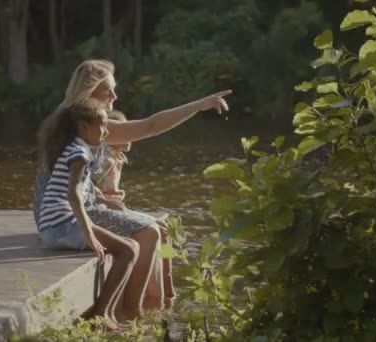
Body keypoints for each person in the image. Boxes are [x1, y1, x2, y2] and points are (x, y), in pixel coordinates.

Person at [35, 59, 231, 320]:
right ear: (88, 93)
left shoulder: (71, 118)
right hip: (67, 212)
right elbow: (151, 126)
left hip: (70, 204)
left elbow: (70, 172)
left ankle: (163, 300)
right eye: (109, 91)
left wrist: (100, 195)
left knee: (163, 228)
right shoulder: (83, 121)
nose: (115, 97)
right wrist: (199, 105)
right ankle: (133, 312)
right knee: (149, 233)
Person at [37, 104, 139, 330]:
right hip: (62, 225)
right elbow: (72, 194)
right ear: (83, 126)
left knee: (129, 246)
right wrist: (89, 232)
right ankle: (100, 315)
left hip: (52, 225)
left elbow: (81, 190)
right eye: (102, 125)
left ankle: (107, 313)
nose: (106, 131)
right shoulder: (79, 152)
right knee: (129, 250)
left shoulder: (72, 147)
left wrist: (101, 201)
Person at [91, 109, 176, 303]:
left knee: (166, 231)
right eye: (125, 131)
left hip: (116, 207)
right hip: (106, 210)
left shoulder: (116, 154)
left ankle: (168, 287)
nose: (131, 136)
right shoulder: (105, 156)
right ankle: (158, 296)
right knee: (159, 232)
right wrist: (103, 200)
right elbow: (87, 183)